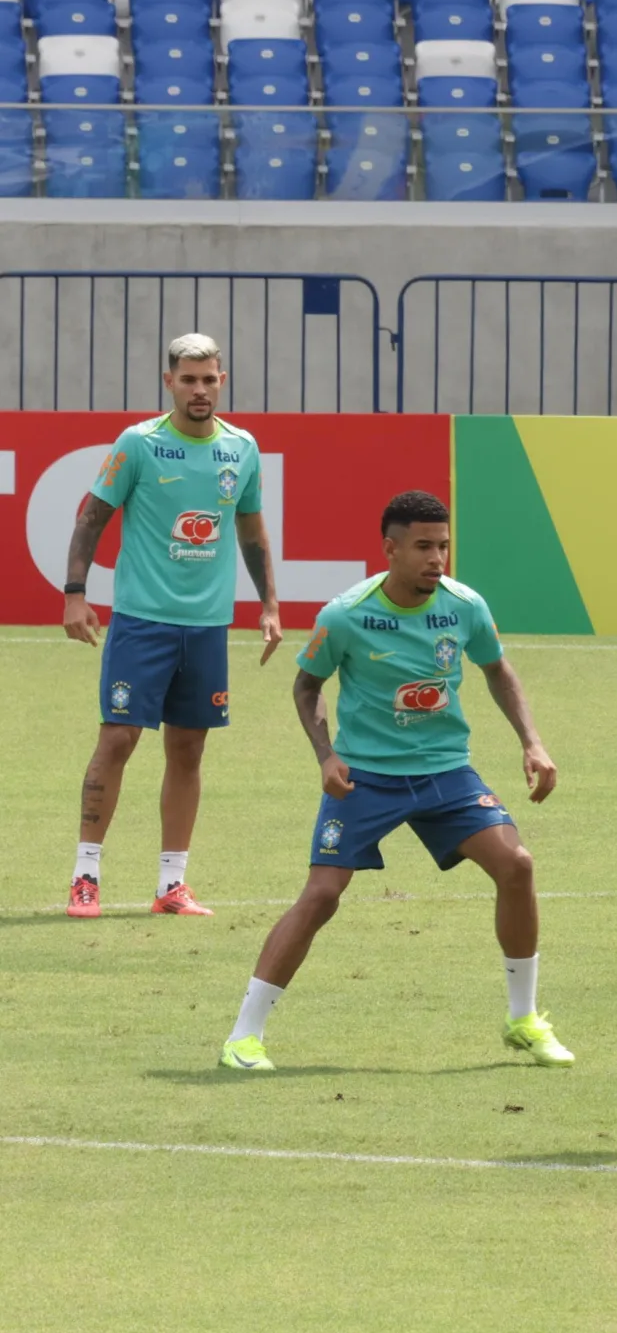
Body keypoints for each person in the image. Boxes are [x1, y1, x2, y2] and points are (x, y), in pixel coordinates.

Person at [219, 492, 572, 1072]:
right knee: (322, 895)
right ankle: (244, 1035)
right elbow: (307, 687)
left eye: (444, 546)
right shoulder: (345, 614)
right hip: (365, 778)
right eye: (424, 547)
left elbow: (497, 669)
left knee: (518, 866)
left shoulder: (464, 606)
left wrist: (531, 741)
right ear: (391, 549)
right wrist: (326, 757)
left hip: (446, 772)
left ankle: (523, 1019)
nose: (438, 559)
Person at [61, 334, 284, 918]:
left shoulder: (242, 448)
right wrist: (75, 594)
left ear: (222, 381)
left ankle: (171, 885)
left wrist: (269, 606)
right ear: (170, 384)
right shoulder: (139, 444)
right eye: (189, 379)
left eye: (209, 379)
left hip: (206, 628)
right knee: (118, 739)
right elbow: (91, 517)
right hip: (141, 622)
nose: (200, 389)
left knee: (188, 750)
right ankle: (86, 876)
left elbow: (252, 533)